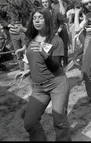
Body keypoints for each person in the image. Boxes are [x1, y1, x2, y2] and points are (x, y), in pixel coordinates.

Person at [14, 8, 71, 141]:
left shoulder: (56, 40)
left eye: (40, 17)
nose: (37, 20)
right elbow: (32, 59)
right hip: (39, 88)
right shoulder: (30, 39)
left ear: (47, 20)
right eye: (34, 18)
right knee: (30, 122)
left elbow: (55, 66)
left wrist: (44, 54)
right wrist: (27, 71)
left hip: (57, 84)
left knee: (59, 121)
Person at [50, 0, 70, 66]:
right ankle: (58, 62)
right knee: (55, 45)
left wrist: (60, 2)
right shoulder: (51, 5)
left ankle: (65, 62)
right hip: (55, 27)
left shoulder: (63, 4)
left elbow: (63, 13)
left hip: (62, 26)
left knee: (64, 45)